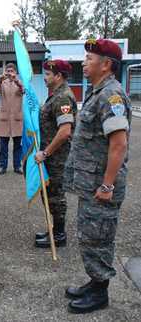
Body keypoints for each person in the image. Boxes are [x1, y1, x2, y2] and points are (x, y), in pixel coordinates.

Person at [63, 39, 132, 314]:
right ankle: (95, 281)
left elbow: (119, 144)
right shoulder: (96, 92)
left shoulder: (111, 96)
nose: (84, 62)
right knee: (90, 237)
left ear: (106, 65)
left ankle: (100, 292)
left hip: (101, 186)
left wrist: (107, 184)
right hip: (90, 184)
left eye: (89, 58)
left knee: (100, 237)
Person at [34, 59, 77, 248]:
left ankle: (59, 235)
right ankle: (55, 230)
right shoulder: (56, 95)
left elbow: (65, 131)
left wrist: (46, 153)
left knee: (56, 196)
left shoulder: (62, 97)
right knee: (49, 194)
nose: (45, 78)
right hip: (52, 156)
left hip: (57, 158)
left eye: (48, 74)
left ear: (58, 76)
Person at [0, 63, 24, 175]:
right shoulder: (2, 83)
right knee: (3, 146)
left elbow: (24, 90)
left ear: (15, 72)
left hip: (17, 119)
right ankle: (2, 166)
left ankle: (17, 166)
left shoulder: (20, 82)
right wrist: (0, 80)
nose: (9, 73)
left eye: (11, 71)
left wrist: (16, 81)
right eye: (8, 71)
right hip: (4, 119)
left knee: (17, 146)